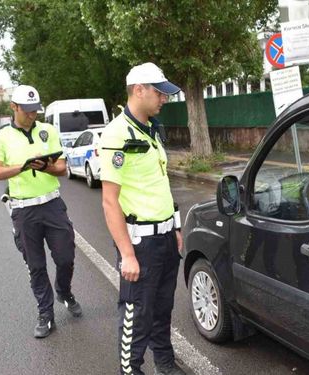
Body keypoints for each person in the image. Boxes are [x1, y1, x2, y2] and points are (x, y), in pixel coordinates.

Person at [99, 63, 186, 375]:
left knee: (163, 310)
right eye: (159, 92)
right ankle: (131, 369)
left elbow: (160, 184)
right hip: (140, 244)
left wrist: (174, 226)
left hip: (164, 238)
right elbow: (110, 201)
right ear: (139, 90)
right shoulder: (116, 134)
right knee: (137, 314)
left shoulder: (152, 129)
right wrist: (126, 255)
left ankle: (165, 363)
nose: (164, 98)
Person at [0, 84, 82, 339]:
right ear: (13, 108)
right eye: (27, 110)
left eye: (35, 110)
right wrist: (23, 167)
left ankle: (64, 290)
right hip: (24, 210)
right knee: (36, 266)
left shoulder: (48, 130)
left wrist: (45, 167)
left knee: (65, 257)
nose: (32, 115)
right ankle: (45, 313)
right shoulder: (1, 137)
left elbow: (62, 168)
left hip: (52, 205)